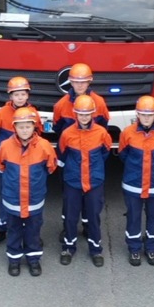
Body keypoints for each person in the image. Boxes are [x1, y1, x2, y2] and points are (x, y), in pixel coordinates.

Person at [0, 107, 58, 276]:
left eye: (28, 126)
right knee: (14, 230)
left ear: (34, 127)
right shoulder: (5, 146)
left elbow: (51, 167)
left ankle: (33, 260)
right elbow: (1, 166)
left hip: (34, 199)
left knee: (33, 230)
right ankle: (14, 260)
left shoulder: (44, 146)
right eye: (20, 126)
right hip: (13, 200)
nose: (24, 130)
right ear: (14, 127)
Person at [52, 62, 110, 240]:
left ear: (90, 82)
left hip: (91, 159)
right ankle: (67, 228)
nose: (80, 85)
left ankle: (87, 226)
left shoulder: (99, 103)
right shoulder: (61, 105)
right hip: (71, 159)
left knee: (91, 198)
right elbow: (57, 129)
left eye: (83, 82)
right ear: (70, 82)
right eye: (76, 82)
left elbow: (103, 132)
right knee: (69, 196)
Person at [0, 76, 42, 250]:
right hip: (6, 166)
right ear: (10, 96)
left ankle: (28, 233)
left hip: (26, 165)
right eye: (16, 94)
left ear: (27, 95)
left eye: (23, 94)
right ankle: (0, 229)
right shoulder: (0, 115)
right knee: (6, 197)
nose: (20, 97)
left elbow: (38, 138)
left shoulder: (33, 114)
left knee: (27, 198)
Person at [119, 95, 154, 266]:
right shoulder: (127, 133)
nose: (146, 118)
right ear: (137, 114)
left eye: (149, 115)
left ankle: (151, 248)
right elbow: (123, 154)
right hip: (133, 185)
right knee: (133, 217)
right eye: (143, 114)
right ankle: (134, 249)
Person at [57, 94, 112, 267]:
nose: (84, 117)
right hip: (73, 181)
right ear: (75, 114)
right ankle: (68, 247)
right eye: (81, 114)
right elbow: (62, 155)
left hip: (94, 182)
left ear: (93, 114)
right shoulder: (67, 134)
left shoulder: (101, 133)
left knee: (94, 216)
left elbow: (105, 152)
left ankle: (96, 250)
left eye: (87, 114)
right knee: (70, 217)